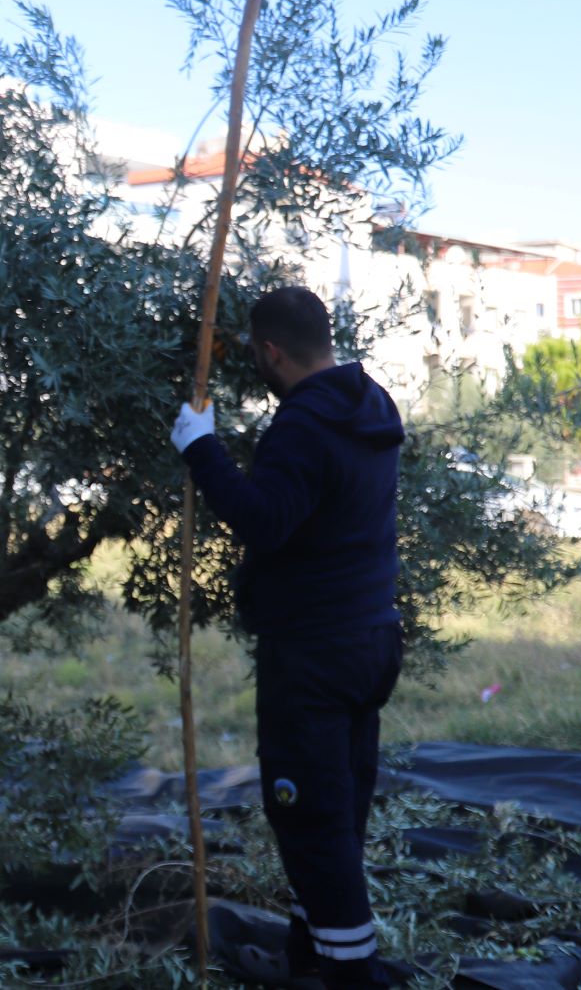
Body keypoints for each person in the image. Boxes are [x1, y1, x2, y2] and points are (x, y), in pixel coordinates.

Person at [169, 285, 405, 988]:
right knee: (338, 809)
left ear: (272, 350)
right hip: (371, 638)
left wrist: (201, 449)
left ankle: (351, 974)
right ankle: (312, 961)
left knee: (307, 813)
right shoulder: (374, 404)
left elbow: (264, 519)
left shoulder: (303, 425)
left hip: (315, 652)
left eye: (256, 355)